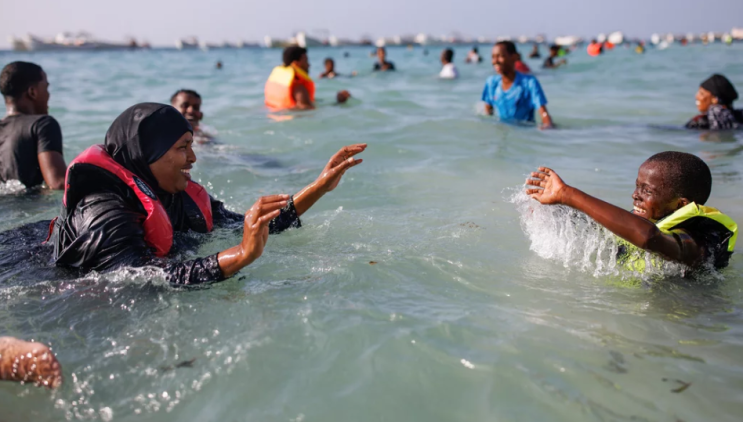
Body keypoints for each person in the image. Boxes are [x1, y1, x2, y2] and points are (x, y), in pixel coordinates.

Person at [51, 103, 366, 285]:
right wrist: (241, 256)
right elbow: (139, 278)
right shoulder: (102, 210)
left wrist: (320, 187)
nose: (193, 158)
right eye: (181, 148)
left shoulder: (180, 197)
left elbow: (251, 227)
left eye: (192, 146)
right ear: (147, 154)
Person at [526, 152, 737, 271]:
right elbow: (603, 232)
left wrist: (568, 195)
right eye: (637, 186)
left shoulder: (701, 239)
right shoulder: (650, 219)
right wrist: (559, 212)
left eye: (647, 191)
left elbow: (650, 238)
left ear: (681, 205)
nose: (635, 195)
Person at [0, 62, 66, 190]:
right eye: (46, 88)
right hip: (30, 206)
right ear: (32, 92)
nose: (48, 94)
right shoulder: (42, 124)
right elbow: (58, 183)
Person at [481, 41, 554, 128]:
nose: (495, 61)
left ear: (514, 57)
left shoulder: (529, 83)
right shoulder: (492, 83)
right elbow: (488, 115)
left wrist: (547, 128)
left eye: (500, 56)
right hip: (501, 132)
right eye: (493, 57)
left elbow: (545, 117)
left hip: (524, 133)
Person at [265, 46, 350, 110]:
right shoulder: (299, 88)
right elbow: (307, 112)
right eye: (306, 61)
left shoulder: (281, 82)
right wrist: (339, 104)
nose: (309, 65)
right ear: (296, 63)